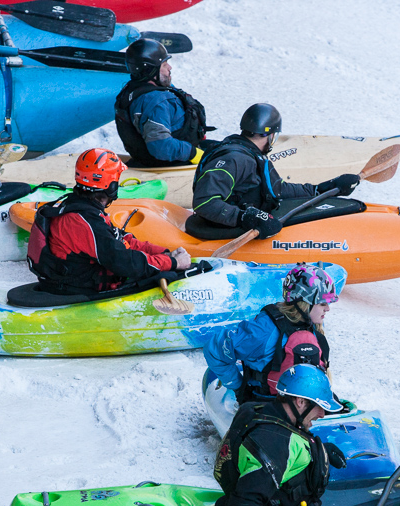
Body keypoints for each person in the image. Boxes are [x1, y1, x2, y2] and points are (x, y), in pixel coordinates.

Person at [213, 364, 348, 506]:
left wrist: (321, 451)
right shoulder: (275, 444)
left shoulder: (260, 409)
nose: (322, 414)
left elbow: (285, 440)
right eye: (319, 406)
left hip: (266, 484)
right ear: (300, 402)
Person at [26, 148, 192, 294]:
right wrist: (172, 263)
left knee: (156, 267)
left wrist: (164, 253)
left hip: (74, 279)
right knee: (160, 274)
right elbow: (124, 262)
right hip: (75, 288)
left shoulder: (81, 208)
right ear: (109, 184)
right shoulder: (83, 221)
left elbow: (122, 240)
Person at [190, 103, 362, 239]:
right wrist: (243, 217)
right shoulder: (235, 159)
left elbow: (277, 189)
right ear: (270, 135)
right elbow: (205, 202)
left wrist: (322, 189)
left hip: (246, 220)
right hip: (225, 229)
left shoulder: (250, 155)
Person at [204, 263, 353, 407]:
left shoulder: (312, 326)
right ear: (303, 303)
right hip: (269, 405)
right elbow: (215, 349)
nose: (328, 309)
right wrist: (238, 387)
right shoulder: (264, 330)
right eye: (322, 303)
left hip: (305, 406)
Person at [114, 38, 214, 168]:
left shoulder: (136, 90)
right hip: (173, 162)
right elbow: (160, 146)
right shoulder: (155, 102)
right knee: (233, 154)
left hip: (171, 153)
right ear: (150, 70)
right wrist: (194, 153)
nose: (169, 67)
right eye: (164, 64)